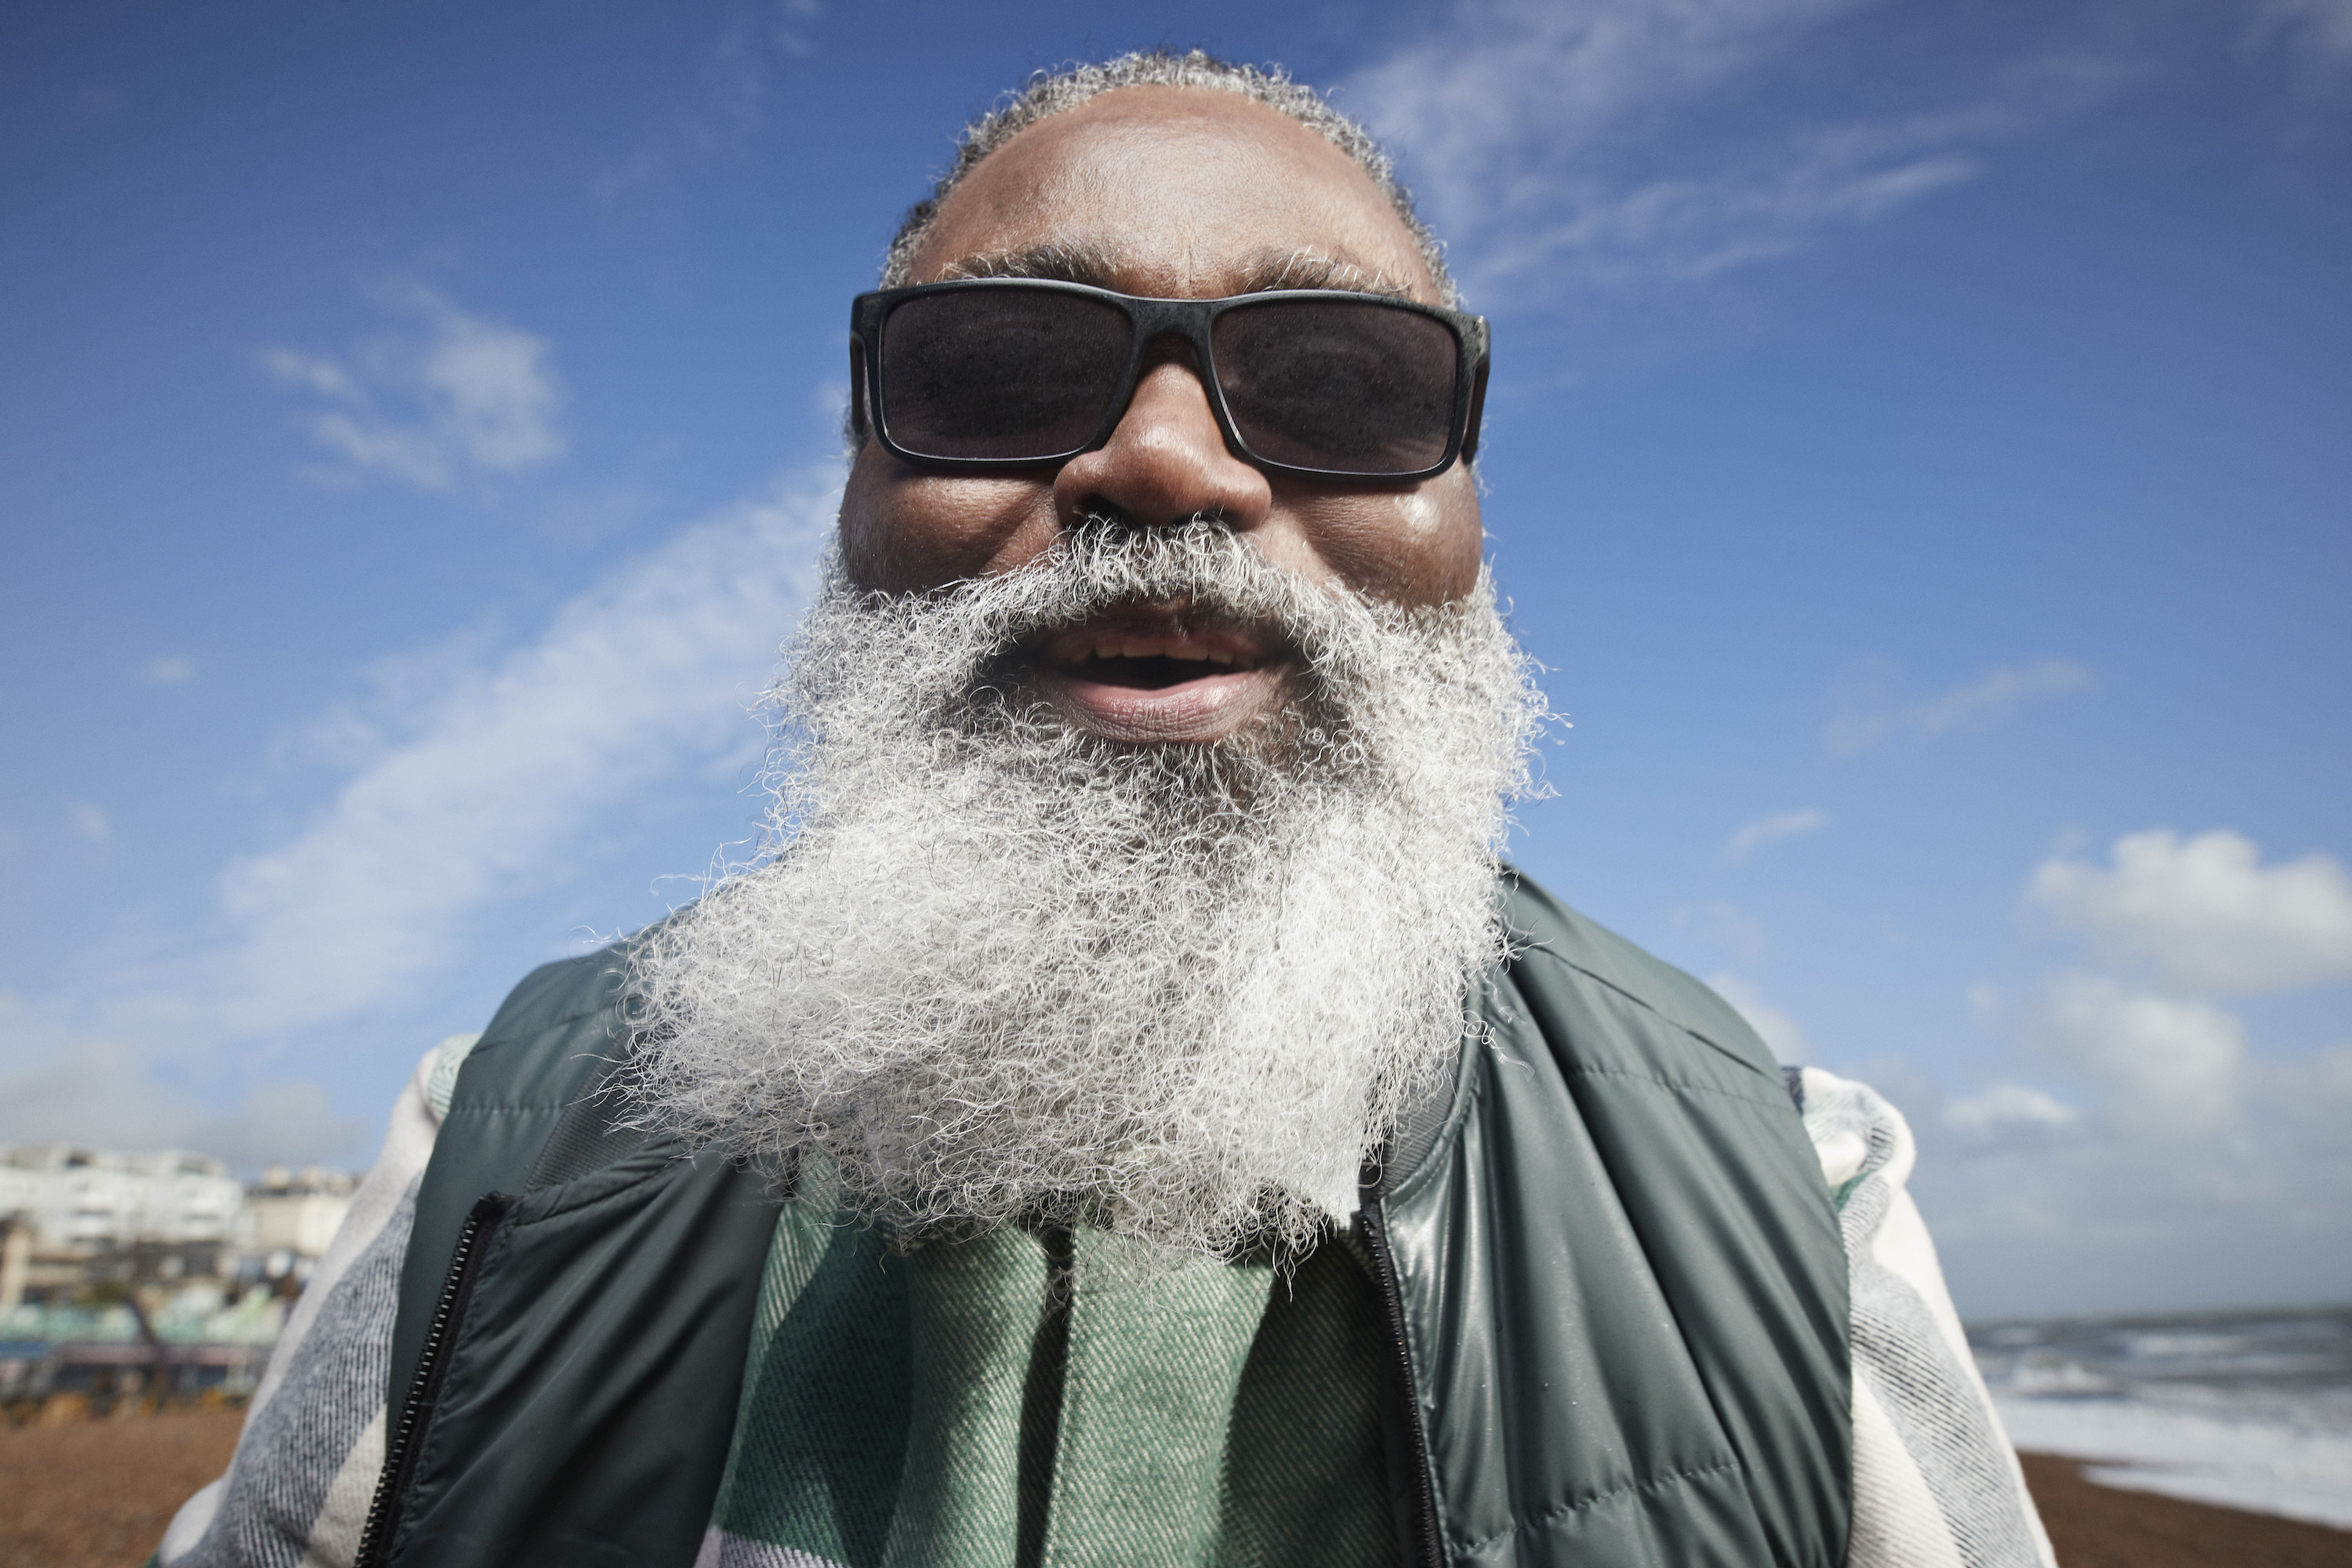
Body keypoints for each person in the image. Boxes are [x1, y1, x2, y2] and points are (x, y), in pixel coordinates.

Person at [158, 51, 2055, 1568]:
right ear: (854, 497)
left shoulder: (1796, 1198)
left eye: (1335, 380)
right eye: (999, 371)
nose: (1161, 460)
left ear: (1469, 527)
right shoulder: (502, 1137)